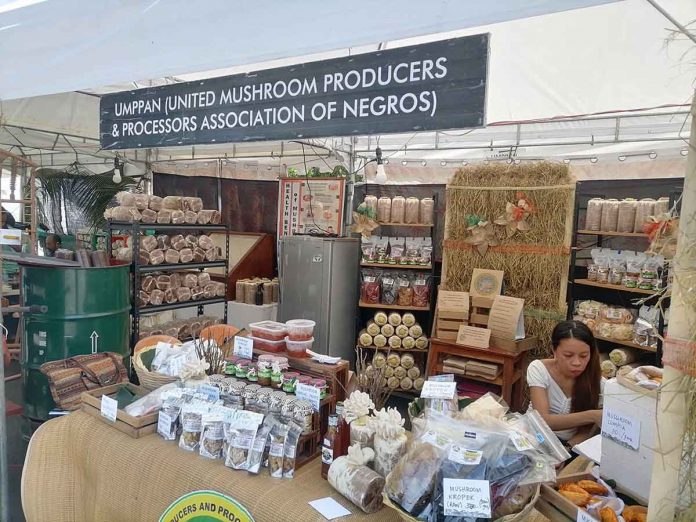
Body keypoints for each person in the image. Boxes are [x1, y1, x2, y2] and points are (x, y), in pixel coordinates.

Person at [527, 320, 603, 446]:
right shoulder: (539, 369)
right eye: (568, 355)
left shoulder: (597, 383)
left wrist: (567, 450)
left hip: (567, 445)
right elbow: (542, 420)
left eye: (583, 356)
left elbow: (585, 431)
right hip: (533, 435)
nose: (576, 363)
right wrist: (593, 415)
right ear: (554, 350)